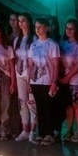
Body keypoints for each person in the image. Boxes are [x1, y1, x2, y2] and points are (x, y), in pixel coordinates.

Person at [28, 16, 61, 145]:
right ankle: (41, 133)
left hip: (47, 80)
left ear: (47, 28)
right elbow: (30, 64)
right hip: (36, 80)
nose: (37, 29)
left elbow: (55, 64)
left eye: (40, 27)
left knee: (48, 108)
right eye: (36, 27)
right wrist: (29, 80)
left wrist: (54, 82)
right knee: (40, 108)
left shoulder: (52, 44)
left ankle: (50, 133)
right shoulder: (34, 45)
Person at [58, 18, 78, 143]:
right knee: (69, 106)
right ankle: (69, 130)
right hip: (64, 79)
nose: (68, 31)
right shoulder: (63, 44)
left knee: (77, 104)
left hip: (75, 79)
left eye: (71, 28)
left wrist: (68, 77)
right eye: (66, 28)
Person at [12, 12, 37, 142]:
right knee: (22, 102)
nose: (21, 23)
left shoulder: (34, 39)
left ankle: (33, 130)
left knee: (32, 102)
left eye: (23, 20)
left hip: (31, 75)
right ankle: (25, 129)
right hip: (19, 74)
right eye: (19, 20)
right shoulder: (17, 40)